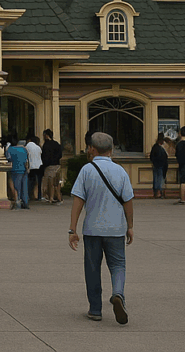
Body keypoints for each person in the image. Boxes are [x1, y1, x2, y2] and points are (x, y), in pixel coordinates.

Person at [68, 132, 135, 325]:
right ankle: (118, 294)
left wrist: (72, 230)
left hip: (92, 230)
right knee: (118, 265)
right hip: (115, 230)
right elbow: (128, 202)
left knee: (92, 269)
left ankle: (95, 309)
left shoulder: (86, 170)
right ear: (112, 150)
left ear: (92, 149)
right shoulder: (121, 171)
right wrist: (129, 227)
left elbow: (78, 202)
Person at [6, 136, 30, 210]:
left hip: (15, 169)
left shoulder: (9, 149)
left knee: (16, 187)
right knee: (24, 187)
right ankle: (25, 202)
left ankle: (18, 202)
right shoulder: (23, 149)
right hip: (24, 169)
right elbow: (27, 159)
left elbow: (8, 158)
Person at [41, 129, 64, 205]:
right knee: (56, 183)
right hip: (57, 165)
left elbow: (44, 156)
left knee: (49, 183)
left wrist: (44, 164)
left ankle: (51, 197)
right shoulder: (56, 144)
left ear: (46, 136)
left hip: (49, 166)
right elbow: (60, 155)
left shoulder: (46, 145)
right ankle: (56, 197)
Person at [148, 134, 169, 199]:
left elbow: (151, 156)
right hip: (161, 165)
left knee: (156, 179)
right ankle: (159, 193)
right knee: (160, 179)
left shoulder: (155, 147)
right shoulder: (161, 148)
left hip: (156, 165)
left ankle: (156, 193)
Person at [25, 134, 43, 203]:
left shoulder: (27, 146)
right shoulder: (38, 147)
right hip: (39, 166)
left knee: (30, 182)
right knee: (38, 182)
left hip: (32, 166)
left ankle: (29, 195)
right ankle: (38, 196)